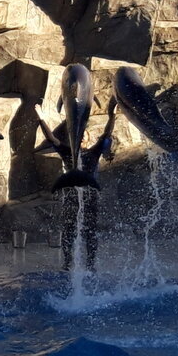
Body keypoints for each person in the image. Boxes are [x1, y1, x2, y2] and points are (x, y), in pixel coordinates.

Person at [36, 97, 117, 270]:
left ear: (87, 139)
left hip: (89, 194)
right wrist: (41, 117)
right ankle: (67, 262)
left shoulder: (94, 153)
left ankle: (90, 263)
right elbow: (51, 138)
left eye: (84, 136)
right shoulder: (68, 152)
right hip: (71, 195)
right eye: (78, 138)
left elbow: (106, 135)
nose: (81, 139)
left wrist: (113, 115)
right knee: (69, 229)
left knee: (90, 230)